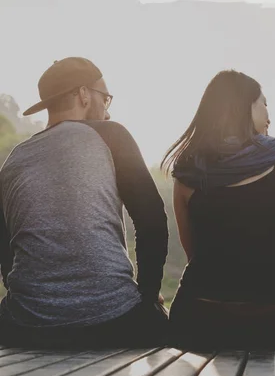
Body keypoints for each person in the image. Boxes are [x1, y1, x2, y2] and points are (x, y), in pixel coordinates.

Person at [0, 57, 169, 348]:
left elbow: (5, 248)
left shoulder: (15, 158)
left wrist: (35, 303)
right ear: (84, 95)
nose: (107, 109)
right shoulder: (112, 134)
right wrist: (148, 295)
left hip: (25, 324)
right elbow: (152, 220)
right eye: (106, 97)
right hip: (113, 321)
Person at [163, 70, 275, 349]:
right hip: (265, 317)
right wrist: (262, 283)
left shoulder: (187, 169)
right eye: (264, 104)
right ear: (247, 107)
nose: (269, 116)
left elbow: (193, 250)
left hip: (197, 315)